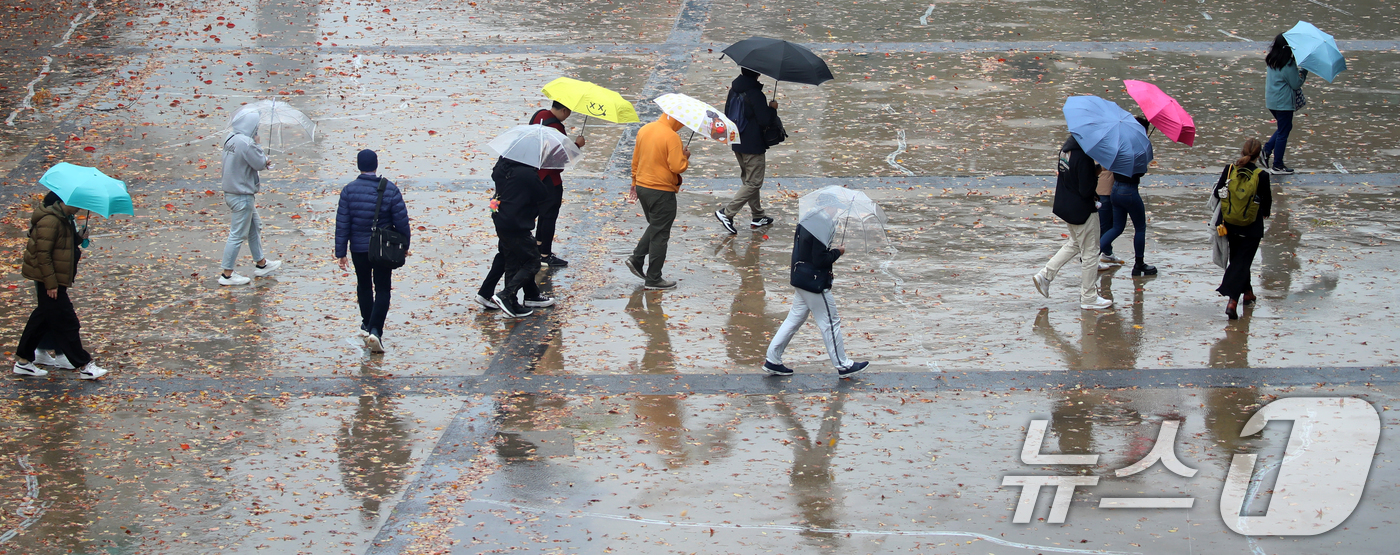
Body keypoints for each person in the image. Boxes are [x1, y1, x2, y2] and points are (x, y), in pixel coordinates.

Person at [762, 194, 869, 378]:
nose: (836, 211)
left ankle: (773, 359)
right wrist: (838, 251)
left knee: (794, 319)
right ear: (827, 207)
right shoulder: (821, 224)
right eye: (834, 208)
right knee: (830, 322)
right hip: (813, 282)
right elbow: (820, 259)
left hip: (801, 278)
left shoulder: (807, 220)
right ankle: (843, 365)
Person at [12, 192, 108, 379]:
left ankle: (23, 361)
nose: (78, 209)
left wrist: (79, 237)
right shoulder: (51, 221)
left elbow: (62, 245)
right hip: (51, 280)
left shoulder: (63, 218)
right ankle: (84, 365)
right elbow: (43, 254)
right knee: (67, 321)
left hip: (56, 279)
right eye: (76, 205)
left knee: (41, 319)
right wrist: (51, 284)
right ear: (63, 202)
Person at [334, 149, 411, 352]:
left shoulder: (348, 191)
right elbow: (402, 221)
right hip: (382, 249)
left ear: (359, 166)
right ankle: (375, 330)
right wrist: (405, 246)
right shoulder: (389, 189)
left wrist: (340, 252)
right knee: (383, 288)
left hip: (358, 249)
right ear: (376, 165)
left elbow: (343, 223)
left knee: (364, 286)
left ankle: (368, 324)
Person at [1033, 135, 1113, 310]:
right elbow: (1086, 189)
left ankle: (1045, 275)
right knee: (1091, 252)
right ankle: (1089, 297)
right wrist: (1096, 174)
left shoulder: (1066, 149)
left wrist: (1094, 169)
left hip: (1067, 206)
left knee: (1075, 243)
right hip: (1082, 210)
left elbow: (1072, 176)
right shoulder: (1083, 156)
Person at [626, 113, 689, 290]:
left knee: (656, 225)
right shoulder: (672, 136)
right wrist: (685, 157)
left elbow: (636, 160)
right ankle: (654, 277)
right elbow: (677, 166)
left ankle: (637, 258)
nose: (681, 125)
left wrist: (634, 183)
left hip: (643, 187)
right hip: (661, 191)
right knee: (660, 234)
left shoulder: (645, 129)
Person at [219, 110, 281, 286]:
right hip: (242, 195)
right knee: (237, 234)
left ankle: (261, 263)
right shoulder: (247, 143)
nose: (257, 129)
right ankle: (227, 274)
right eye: (256, 126)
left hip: (231, 192)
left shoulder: (230, 138)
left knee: (254, 227)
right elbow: (260, 163)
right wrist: (259, 147)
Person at [489, 154, 556, 317]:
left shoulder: (500, 168)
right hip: (517, 222)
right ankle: (506, 295)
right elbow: (543, 194)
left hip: (500, 218)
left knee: (512, 261)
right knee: (532, 261)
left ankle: (511, 304)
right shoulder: (527, 173)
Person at [1213, 138, 1272, 320]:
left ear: (1242, 151)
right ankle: (1232, 301)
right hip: (1251, 226)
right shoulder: (1262, 175)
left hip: (1229, 223)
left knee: (1239, 259)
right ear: (1258, 155)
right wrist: (1265, 212)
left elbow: (1217, 193)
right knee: (1242, 262)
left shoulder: (1230, 169)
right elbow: (1267, 202)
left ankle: (1248, 293)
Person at [714, 67, 779, 234]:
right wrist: (772, 109)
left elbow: (727, 114)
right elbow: (765, 120)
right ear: (758, 73)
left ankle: (758, 215)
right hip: (753, 145)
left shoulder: (734, 90)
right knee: (754, 182)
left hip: (737, 141)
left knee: (749, 180)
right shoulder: (755, 93)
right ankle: (727, 213)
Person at [1099, 116, 1158, 277]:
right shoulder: (1141, 147)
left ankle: (1092, 254)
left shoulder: (1119, 143)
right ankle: (1139, 264)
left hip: (1115, 189)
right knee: (1140, 228)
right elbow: (1142, 172)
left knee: (1117, 227)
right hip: (1130, 191)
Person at [530, 101, 585, 267]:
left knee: (541, 213)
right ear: (564, 110)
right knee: (549, 217)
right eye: (568, 112)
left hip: (535, 175)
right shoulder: (556, 127)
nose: (568, 116)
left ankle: (538, 247)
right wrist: (577, 145)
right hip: (550, 179)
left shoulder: (539, 115)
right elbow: (562, 156)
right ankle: (545, 254)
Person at [1263, 33, 1307, 175]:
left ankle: (1267, 150)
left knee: (1284, 127)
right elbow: (1296, 84)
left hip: (1272, 101)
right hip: (1283, 103)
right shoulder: (1288, 64)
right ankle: (1277, 165)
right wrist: (1304, 71)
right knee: (1284, 131)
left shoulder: (1272, 60)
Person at [1095, 168, 1122, 268]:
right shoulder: (1103, 153)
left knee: (1109, 226)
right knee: (1102, 227)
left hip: (1109, 190)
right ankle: (1093, 259)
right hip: (1103, 191)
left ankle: (1107, 253)